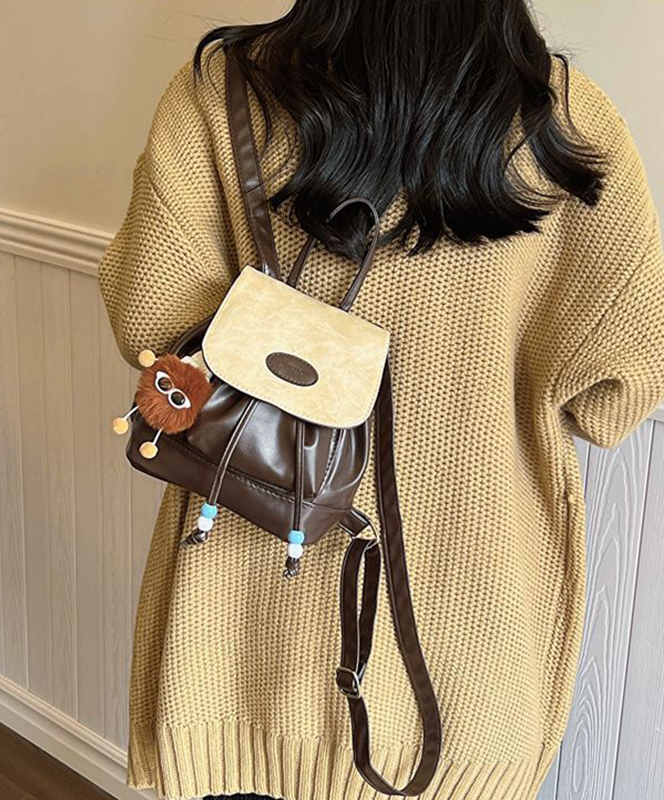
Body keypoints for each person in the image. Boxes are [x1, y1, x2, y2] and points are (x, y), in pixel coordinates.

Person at [97, 2, 664, 799]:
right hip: (466, 628)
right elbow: (619, 389)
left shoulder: (223, 92)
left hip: (237, 629)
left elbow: (151, 320)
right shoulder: (567, 121)